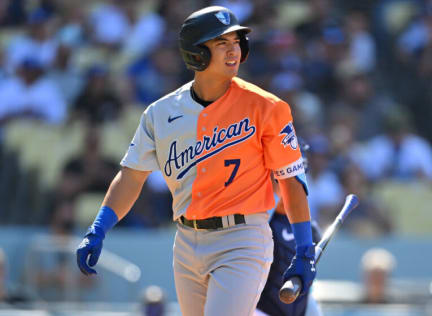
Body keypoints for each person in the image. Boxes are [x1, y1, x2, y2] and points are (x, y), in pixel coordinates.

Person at [76, 6, 316, 316]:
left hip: (242, 239)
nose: (233, 50)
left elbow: (291, 180)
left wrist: (305, 249)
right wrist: (98, 228)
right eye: (221, 43)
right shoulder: (160, 114)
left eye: (236, 41)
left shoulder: (267, 107)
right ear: (196, 54)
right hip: (186, 242)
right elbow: (130, 177)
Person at [256, 140, 323, 316]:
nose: (289, 187)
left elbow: (307, 289)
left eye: (297, 180)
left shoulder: (311, 230)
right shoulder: (257, 223)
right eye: (281, 180)